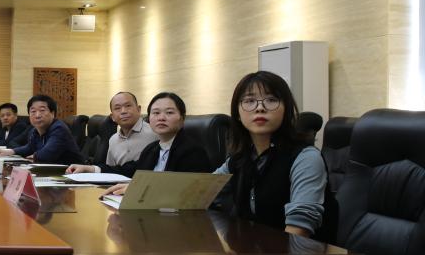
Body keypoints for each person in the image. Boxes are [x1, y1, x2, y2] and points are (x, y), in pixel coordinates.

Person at [105, 72, 334, 239]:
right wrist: (140, 188)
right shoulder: (239, 159)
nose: (260, 108)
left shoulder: (305, 157)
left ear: (286, 108)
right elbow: (198, 190)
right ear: (238, 112)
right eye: (249, 101)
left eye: (271, 100)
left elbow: (299, 229)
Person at [68, 92, 210, 177]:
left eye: (169, 112)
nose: (161, 118)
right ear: (149, 118)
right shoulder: (152, 149)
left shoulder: (192, 151)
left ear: (182, 118)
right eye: (156, 113)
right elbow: (129, 170)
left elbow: (180, 189)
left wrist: (135, 190)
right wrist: (90, 169)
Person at [0, 94, 81, 165]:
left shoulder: (59, 128)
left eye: (42, 110)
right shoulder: (34, 130)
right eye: (33, 111)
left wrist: (34, 156)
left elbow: (47, 153)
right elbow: (30, 147)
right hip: (51, 172)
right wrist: (11, 151)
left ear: (52, 113)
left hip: (72, 174)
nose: (37, 115)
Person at [93, 91, 158, 170]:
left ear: (138, 109)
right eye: (117, 108)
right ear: (112, 117)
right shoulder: (113, 140)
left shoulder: (155, 133)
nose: (123, 111)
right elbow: (111, 171)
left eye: (128, 106)